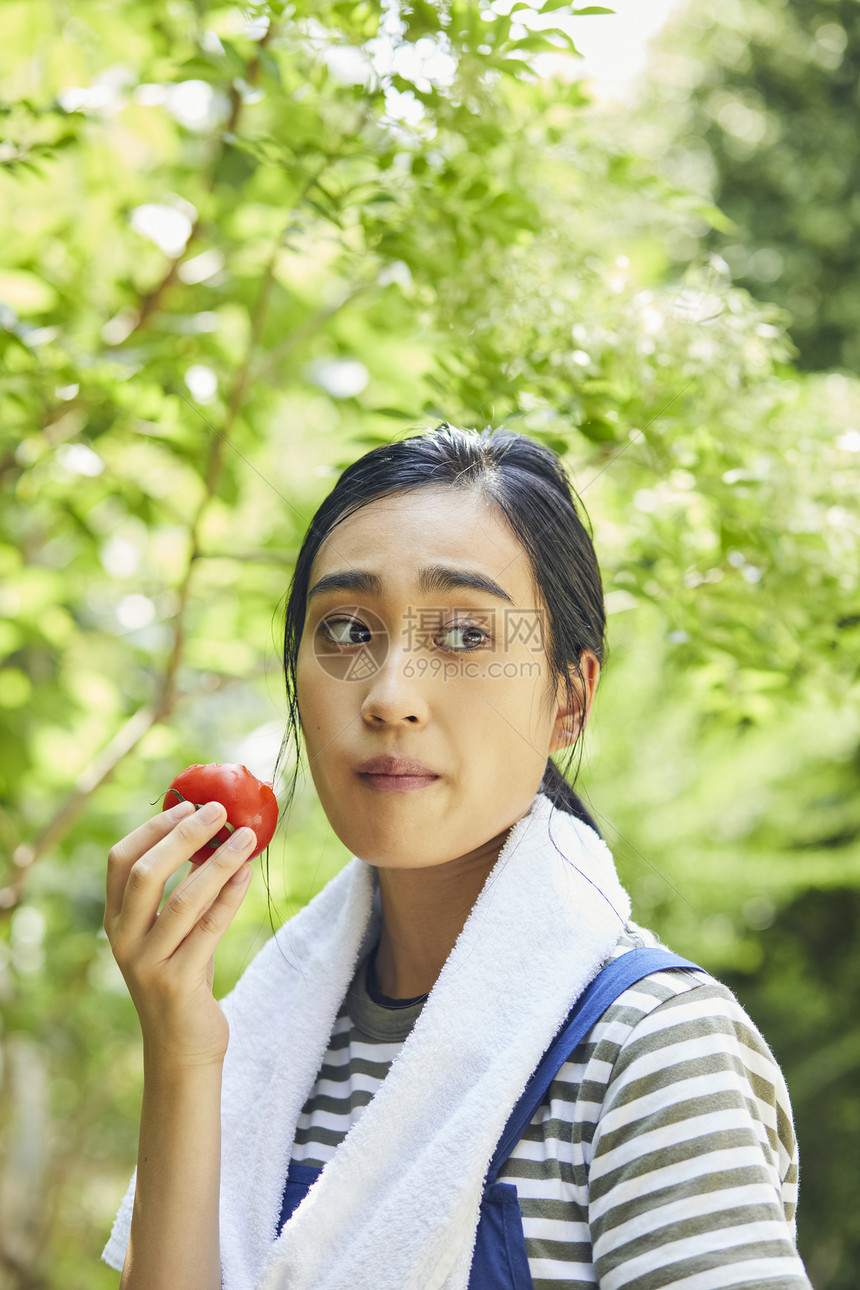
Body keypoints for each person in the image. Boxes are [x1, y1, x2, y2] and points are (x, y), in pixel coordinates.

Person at [102, 425, 812, 1290]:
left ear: (570, 702)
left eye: (468, 636)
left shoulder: (651, 1053)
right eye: (349, 628)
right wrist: (180, 1048)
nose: (391, 694)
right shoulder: (259, 1043)